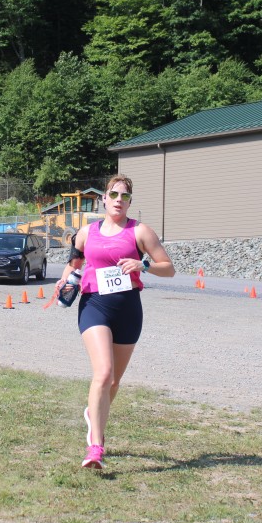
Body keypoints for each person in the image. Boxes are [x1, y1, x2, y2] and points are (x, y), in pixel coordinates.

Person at [55, 174, 175, 469]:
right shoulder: (86, 233)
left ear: (130, 202)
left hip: (128, 309)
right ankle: (95, 447)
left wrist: (142, 264)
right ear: (104, 199)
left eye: (125, 196)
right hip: (94, 306)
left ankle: (93, 413)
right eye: (114, 194)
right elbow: (74, 265)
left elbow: (168, 268)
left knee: (114, 381)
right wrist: (64, 282)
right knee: (104, 373)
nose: (119, 200)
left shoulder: (140, 231)